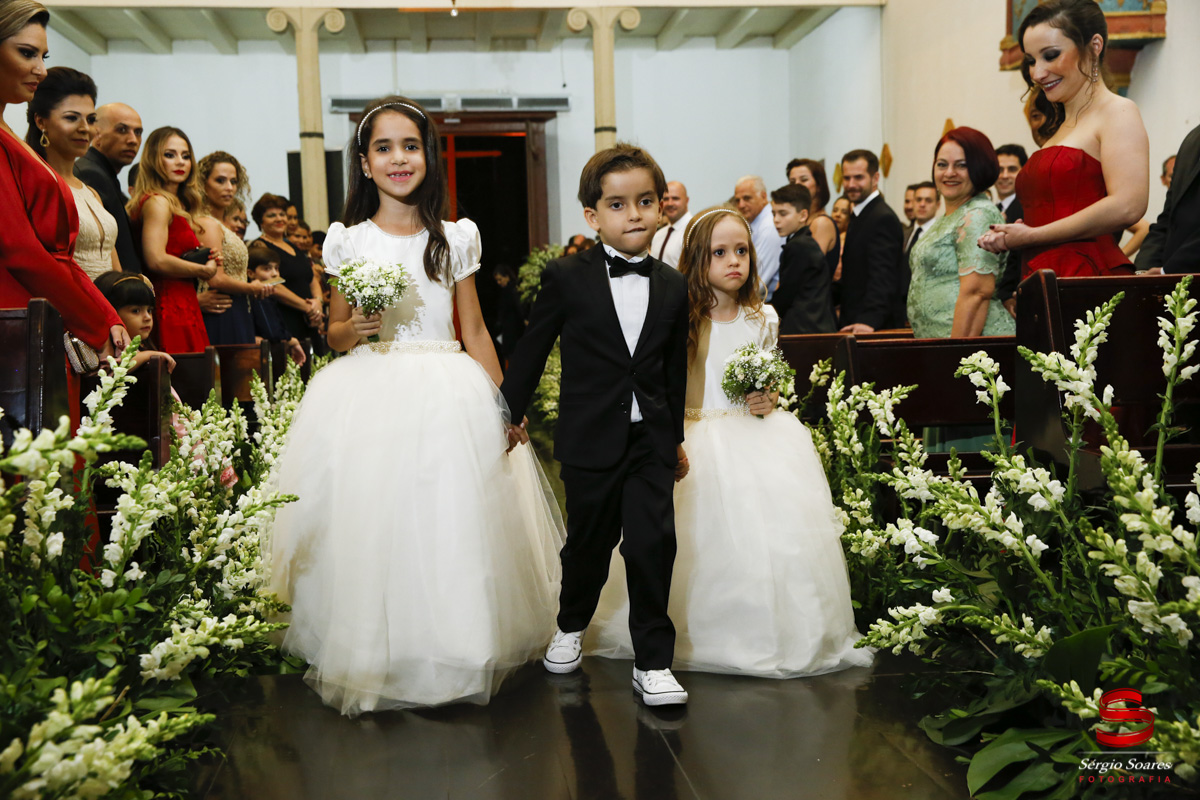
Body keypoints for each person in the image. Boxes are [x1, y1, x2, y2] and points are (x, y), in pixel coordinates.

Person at [267, 96, 563, 715]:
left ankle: (455, 642)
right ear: (365, 163)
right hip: (370, 390)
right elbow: (337, 333)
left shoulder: (454, 238)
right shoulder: (350, 240)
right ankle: (379, 648)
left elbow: (476, 329)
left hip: (447, 387)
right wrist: (360, 326)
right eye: (384, 148)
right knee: (375, 521)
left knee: (450, 517)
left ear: (427, 156)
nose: (399, 158)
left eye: (410, 146)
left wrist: (506, 405)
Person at [589, 205, 871, 678]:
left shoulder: (764, 318)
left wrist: (768, 397)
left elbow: (771, 377)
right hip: (697, 436)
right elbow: (665, 382)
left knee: (770, 542)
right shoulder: (683, 318)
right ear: (698, 260)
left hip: (760, 438)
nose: (733, 261)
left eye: (741, 250)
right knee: (696, 543)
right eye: (719, 252)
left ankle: (771, 631)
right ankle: (692, 631)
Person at [501, 142, 691, 707]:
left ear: (661, 208)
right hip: (590, 438)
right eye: (617, 204)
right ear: (592, 215)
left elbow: (672, 370)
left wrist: (674, 437)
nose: (633, 214)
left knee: (653, 543)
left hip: (649, 438)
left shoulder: (674, 285)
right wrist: (507, 414)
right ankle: (570, 623)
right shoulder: (566, 277)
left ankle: (653, 661)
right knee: (587, 544)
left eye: (645, 201)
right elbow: (533, 350)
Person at [979, 0, 1148, 278]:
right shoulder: (1060, 127)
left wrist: (1032, 236)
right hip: (1041, 276)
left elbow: (1128, 205)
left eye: (1051, 55)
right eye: (1032, 61)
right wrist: (1011, 234)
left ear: (1094, 46)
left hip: (1087, 276)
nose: (1037, 73)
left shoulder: (1118, 110)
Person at [0, 0, 128, 365]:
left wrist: (106, 315)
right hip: (18, 313)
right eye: (27, 53)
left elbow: (61, 258)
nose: (40, 70)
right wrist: (92, 324)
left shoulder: (12, 138)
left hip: (48, 310)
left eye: (43, 56)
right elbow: (21, 250)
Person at [908, 128, 1014, 340]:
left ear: (979, 168)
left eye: (961, 165)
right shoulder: (949, 218)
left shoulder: (977, 214)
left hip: (974, 350)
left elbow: (977, 294)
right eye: (942, 164)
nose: (949, 173)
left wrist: (956, 356)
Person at [126, 126, 215, 353]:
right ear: (154, 158)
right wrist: (201, 270)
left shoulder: (174, 202)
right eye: (170, 155)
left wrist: (204, 257)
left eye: (186, 156)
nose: (180, 162)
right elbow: (156, 259)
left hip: (182, 299)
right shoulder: (158, 201)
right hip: (168, 301)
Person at [26, 67, 119, 280]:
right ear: (41, 122)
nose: (85, 128)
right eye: (71, 118)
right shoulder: (36, 184)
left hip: (107, 305)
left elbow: (113, 265)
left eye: (91, 119)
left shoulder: (91, 193)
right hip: (68, 305)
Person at [195, 151, 269, 345]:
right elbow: (216, 278)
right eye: (220, 180)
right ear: (203, 183)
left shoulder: (219, 223)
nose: (229, 188)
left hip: (235, 306)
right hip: (221, 308)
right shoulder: (207, 223)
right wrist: (252, 287)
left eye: (233, 182)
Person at [838, 149, 905, 333]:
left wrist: (869, 320)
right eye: (847, 178)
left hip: (874, 327)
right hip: (856, 320)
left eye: (858, 177)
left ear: (875, 178)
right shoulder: (861, 214)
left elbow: (883, 276)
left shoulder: (882, 218)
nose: (851, 184)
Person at [74, 102, 144, 275]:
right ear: (96, 134)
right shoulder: (90, 173)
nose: (133, 140)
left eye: (138, 132)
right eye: (122, 130)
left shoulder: (104, 173)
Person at [250, 193, 322, 340]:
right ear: (260, 222)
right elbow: (272, 284)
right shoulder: (259, 246)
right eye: (271, 215)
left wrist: (318, 302)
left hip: (309, 320)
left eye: (282, 214)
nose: (279, 219)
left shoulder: (293, 246)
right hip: (284, 319)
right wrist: (307, 307)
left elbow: (311, 278)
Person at [769, 183, 835, 334]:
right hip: (814, 325)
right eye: (773, 214)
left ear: (803, 215)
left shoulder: (798, 246)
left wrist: (762, 313)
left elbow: (787, 294)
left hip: (804, 328)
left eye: (783, 213)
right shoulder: (804, 242)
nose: (776, 220)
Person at [1137, 125, 1200, 275]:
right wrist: (1144, 268)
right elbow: (1169, 218)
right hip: (1177, 284)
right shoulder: (1191, 140)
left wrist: (1168, 271)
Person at [92, 271, 176, 372]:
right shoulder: (114, 346)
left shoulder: (142, 345)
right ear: (111, 313)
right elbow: (116, 370)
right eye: (136, 311)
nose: (147, 317)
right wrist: (148, 355)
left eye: (149, 310)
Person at [245, 245, 306, 366]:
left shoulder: (268, 297)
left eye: (276, 268)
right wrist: (290, 339)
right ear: (250, 273)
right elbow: (272, 332)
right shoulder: (258, 297)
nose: (274, 274)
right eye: (267, 269)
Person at [786, 158, 840, 278]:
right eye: (792, 182)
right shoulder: (802, 221)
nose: (797, 185)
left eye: (804, 180)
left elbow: (807, 270)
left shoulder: (821, 223)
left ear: (819, 185)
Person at [734, 175, 784, 300]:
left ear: (763, 196)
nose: (741, 205)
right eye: (737, 200)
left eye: (747, 198)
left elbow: (758, 280)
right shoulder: (755, 224)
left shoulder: (769, 225)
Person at [993, 144, 1028, 316]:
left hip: (1016, 301)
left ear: (1023, 172)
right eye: (999, 170)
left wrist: (1008, 294)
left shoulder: (1027, 207)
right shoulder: (992, 209)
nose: (1004, 175)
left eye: (1012, 169)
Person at [650, 181, 692, 268]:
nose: (670, 203)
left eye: (675, 198)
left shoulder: (695, 231)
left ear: (686, 201)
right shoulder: (658, 235)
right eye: (666, 199)